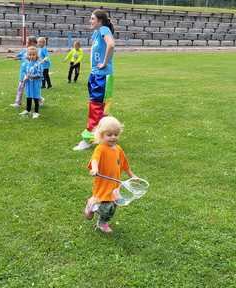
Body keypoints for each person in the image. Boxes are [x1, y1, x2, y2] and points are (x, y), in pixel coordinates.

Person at [84, 116, 137, 233]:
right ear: (101, 135)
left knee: (113, 206)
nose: (113, 137)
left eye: (116, 134)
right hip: (103, 183)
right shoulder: (100, 149)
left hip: (115, 184)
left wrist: (131, 175)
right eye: (109, 135)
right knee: (105, 207)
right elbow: (95, 160)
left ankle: (102, 222)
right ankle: (92, 206)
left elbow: (124, 164)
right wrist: (95, 168)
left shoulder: (118, 149)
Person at [73, 10, 115, 151]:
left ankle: (88, 139)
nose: (90, 21)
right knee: (98, 107)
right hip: (96, 75)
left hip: (102, 76)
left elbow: (111, 45)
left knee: (96, 108)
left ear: (100, 20)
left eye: (92, 18)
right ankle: (103, 138)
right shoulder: (97, 33)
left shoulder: (104, 29)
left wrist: (104, 63)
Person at [8, 36, 37, 108]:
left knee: (31, 90)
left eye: (27, 42)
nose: (26, 43)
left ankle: (40, 99)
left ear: (32, 43)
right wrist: (12, 57)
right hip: (23, 73)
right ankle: (18, 103)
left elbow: (37, 60)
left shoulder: (35, 52)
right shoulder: (24, 50)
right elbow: (18, 56)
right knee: (20, 87)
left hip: (30, 74)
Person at [19, 46, 43, 119]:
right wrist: (25, 77)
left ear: (36, 55)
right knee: (28, 96)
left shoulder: (38, 64)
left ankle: (36, 112)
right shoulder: (27, 63)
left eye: (33, 55)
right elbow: (26, 72)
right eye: (30, 55)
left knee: (36, 97)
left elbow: (40, 75)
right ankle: (28, 110)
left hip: (35, 84)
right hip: (28, 83)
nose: (31, 56)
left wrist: (32, 76)